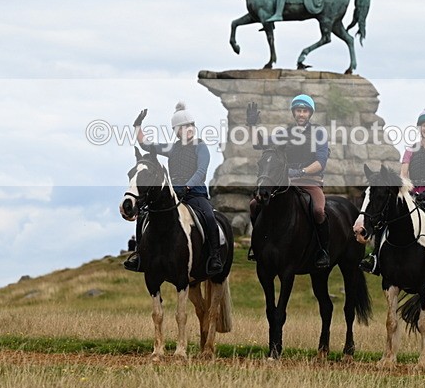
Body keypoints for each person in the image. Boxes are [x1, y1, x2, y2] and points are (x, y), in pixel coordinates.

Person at [357, 106, 425, 277]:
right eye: (423, 125)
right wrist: (410, 191)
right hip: (412, 195)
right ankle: (374, 257)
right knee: (386, 219)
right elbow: (403, 174)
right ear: (419, 127)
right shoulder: (410, 150)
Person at [124, 103, 223, 276]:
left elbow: (201, 171)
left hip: (195, 194)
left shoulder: (201, 147)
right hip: (174, 195)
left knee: (209, 216)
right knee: (144, 216)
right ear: (177, 131)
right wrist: (137, 126)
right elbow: (146, 145)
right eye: (183, 127)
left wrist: (187, 186)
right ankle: (140, 255)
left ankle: (215, 256)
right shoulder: (172, 148)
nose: (188, 129)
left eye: (190, 125)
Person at [247, 94, 330, 268]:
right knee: (255, 205)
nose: (301, 114)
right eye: (298, 111)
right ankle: (257, 246)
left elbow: (320, 163)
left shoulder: (319, 133)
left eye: (305, 111)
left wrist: (300, 171)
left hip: (309, 181)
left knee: (318, 211)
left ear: (310, 114)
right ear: (294, 113)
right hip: (286, 182)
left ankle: (323, 250)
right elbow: (258, 144)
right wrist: (252, 126)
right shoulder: (285, 133)